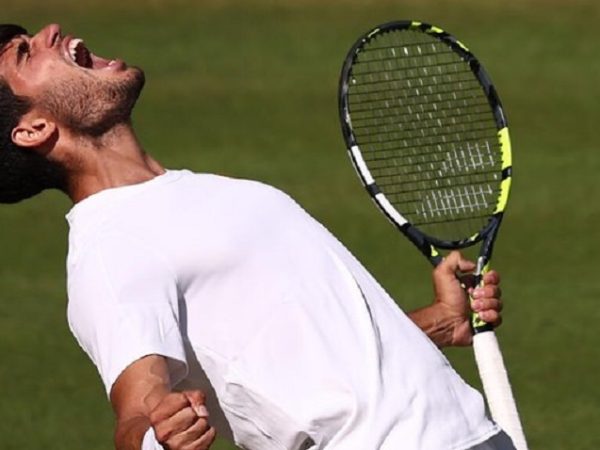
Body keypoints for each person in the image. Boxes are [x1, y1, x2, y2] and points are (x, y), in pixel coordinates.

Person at [0, 23, 514, 450]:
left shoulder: (197, 192)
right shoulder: (110, 249)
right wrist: (159, 434)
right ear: (32, 129)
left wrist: (440, 321)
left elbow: (304, 359)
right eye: (26, 53)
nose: (50, 31)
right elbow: (136, 411)